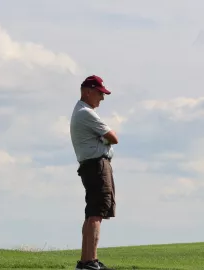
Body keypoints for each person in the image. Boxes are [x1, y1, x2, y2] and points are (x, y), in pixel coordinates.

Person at [69, 75, 119, 270]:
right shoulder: (86, 113)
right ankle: (90, 262)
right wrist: (104, 141)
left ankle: (86, 261)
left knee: (92, 212)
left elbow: (107, 139)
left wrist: (102, 140)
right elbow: (113, 138)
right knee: (97, 212)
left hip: (91, 165)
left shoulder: (81, 111)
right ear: (87, 91)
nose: (102, 98)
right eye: (100, 93)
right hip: (97, 166)